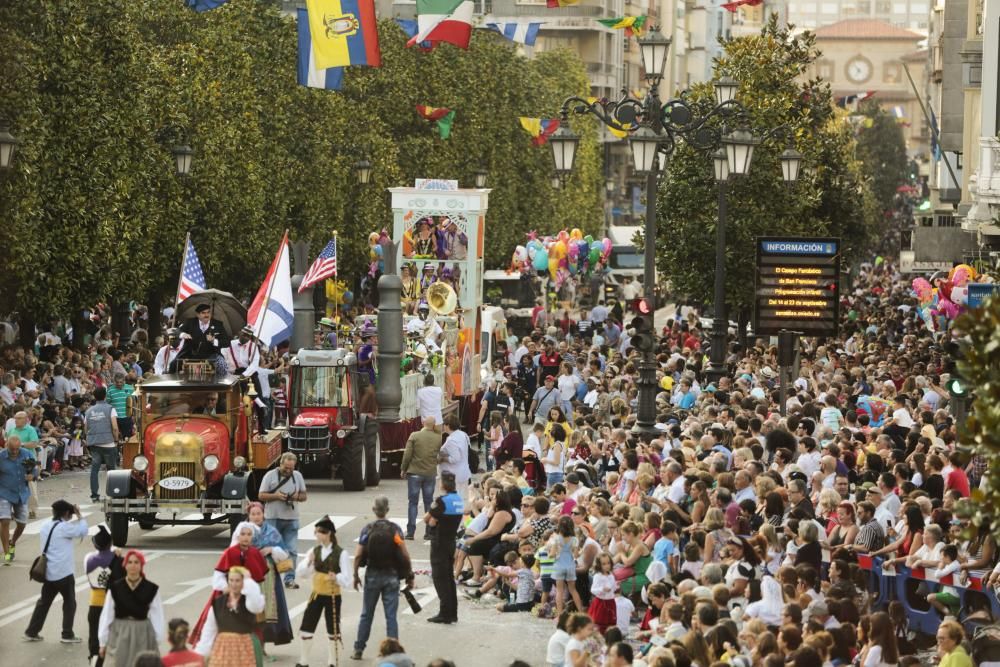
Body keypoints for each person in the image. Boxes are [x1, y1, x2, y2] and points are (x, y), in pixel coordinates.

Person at [351, 495, 414, 661]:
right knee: (391, 616)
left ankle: (359, 648)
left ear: (374, 510)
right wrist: (409, 575)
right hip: (391, 575)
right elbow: (405, 554)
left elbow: (358, 555)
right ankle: (393, 652)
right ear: (387, 510)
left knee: (366, 614)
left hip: (372, 573)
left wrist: (356, 575)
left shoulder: (368, 529)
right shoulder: (394, 530)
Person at [24, 499, 89, 643]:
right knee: (70, 602)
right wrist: (79, 515)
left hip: (49, 573)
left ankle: (32, 631)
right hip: (63, 573)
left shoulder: (45, 526)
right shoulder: (64, 527)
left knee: (44, 603)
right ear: (66, 513)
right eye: (70, 514)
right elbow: (83, 530)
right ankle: (67, 634)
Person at [295, 515, 351, 667]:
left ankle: (332, 662)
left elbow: (347, 580)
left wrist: (336, 577)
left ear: (327, 534)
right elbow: (302, 573)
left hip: (333, 595)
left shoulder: (341, 553)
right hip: (317, 595)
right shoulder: (314, 551)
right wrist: (309, 561)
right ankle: (304, 661)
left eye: (318, 532)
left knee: (332, 629)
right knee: (307, 626)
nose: (316, 535)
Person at [99, 550, 165, 667]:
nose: (133, 565)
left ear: (141, 565)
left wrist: (157, 638)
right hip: (120, 632)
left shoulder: (151, 588)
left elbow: (157, 615)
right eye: (129, 562)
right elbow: (107, 615)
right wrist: (103, 642)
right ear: (125, 565)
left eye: (136, 562)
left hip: (143, 633)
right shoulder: (115, 588)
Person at [194, 566, 265, 666]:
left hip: (244, 647)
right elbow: (209, 630)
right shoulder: (218, 603)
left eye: (237, 581)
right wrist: (199, 655)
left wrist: (249, 581)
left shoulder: (249, 602)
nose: (234, 584)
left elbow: (256, 606)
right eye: (231, 580)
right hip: (223, 648)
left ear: (243, 582)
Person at [246, 502, 293, 648]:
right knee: (248, 610)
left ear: (263, 514)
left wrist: (271, 549)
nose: (256, 517)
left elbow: (284, 554)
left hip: (269, 576)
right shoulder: (243, 531)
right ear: (248, 516)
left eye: (258, 514)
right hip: (248, 575)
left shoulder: (272, 532)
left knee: (267, 610)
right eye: (253, 514)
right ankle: (249, 646)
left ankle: (262, 646)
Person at [258, 452, 307, 588]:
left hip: (291, 518)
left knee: (291, 550)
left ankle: (289, 579)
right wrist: (276, 496)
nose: (288, 471)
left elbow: (304, 496)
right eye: (286, 468)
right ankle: (270, 577)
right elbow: (261, 495)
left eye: (291, 468)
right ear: (280, 464)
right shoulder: (270, 476)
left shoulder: (297, 476)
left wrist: (296, 497)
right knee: (270, 549)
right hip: (272, 518)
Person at [425, 471, 464, 624]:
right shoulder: (459, 500)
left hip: (439, 542)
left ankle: (444, 613)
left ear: (442, 484)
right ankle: (452, 612)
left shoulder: (442, 500)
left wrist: (431, 517)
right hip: (451, 541)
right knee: (449, 578)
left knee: (440, 578)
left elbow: (429, 521)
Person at [86, 525, 124, 666]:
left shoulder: (89, 559)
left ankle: (94, 660)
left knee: (94, 637)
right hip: (113, 603)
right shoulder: (118, 560)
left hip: (95, 603)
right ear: (111, 543)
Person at [401, 416, 441, 541]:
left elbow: (407, 454)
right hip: (430, 473)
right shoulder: (438, 438)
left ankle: (410, 532)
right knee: (428, 502)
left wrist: (403, 468)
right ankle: (428, 532)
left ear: (423, 423)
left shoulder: (414, 435)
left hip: (414, 472)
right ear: (434, 425)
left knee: (413, 502)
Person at [1, 434, 36, 565]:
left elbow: (35, 469)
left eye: (17, 449)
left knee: (22, 523)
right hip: (4, 492)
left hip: (22, 493)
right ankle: (6, 553)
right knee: (5, 520)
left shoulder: (27, 454)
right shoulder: (1, 456)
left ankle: (12, 542)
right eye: (12, 449)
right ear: (6, 446)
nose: (15, 452)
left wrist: (32, 475)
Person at [85, 386, 120, 503]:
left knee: (94, 470)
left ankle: (94, 495)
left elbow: (86, 429)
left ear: (94, 396)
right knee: (111, 470)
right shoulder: (110, 409)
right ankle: (114, 494)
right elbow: (115, 427)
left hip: (94, 444)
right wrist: (116, 440)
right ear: (105, 395)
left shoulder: (89, 411)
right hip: (108, 443)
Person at [439, 413, 471, 497]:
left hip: (454, 474)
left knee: (453, 499)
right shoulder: (463, 434)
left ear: (448, 425)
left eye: (444, 424)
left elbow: (455, 458)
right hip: (464, 471)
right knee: (460, 498)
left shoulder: (451, 440)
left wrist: (442, 458)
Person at [105, 372, 134, 441]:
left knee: (127, 438)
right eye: (117, 382)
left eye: (121, 382)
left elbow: (134, 403)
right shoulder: (110, 390)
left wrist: (134, 416)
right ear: (114, 381)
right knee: (115, 438)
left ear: (124, 381)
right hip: (115, 418)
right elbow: (107, 403)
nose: (119, 384)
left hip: (127, 417)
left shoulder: (130, 388)